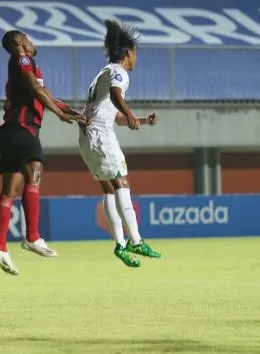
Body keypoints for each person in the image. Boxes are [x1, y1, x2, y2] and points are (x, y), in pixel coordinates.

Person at [0, 30, 87, 276]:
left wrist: (75, 115)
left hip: (12, 131)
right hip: (23, 129)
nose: (33, 43)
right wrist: (58, 113)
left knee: (11, 188)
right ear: (19, 42)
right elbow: (35, 88)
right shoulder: (22, 60)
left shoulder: (28, 68)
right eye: (28, 38)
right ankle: (32, 236)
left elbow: (47, 96)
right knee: (35, 172)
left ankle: (0, 247)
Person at [79, 20, 161, 268]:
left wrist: (142, 120)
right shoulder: (118, 73)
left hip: (87, 138)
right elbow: (116, 97)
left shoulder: (102, 73)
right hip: (101, 135)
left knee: (108, 189)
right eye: (135, 53)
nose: (136, 58)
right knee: (122, 183)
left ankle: (120, 245)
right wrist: (132, 113)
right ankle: (135, 240)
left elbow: (112, 113)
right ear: (128, 53)